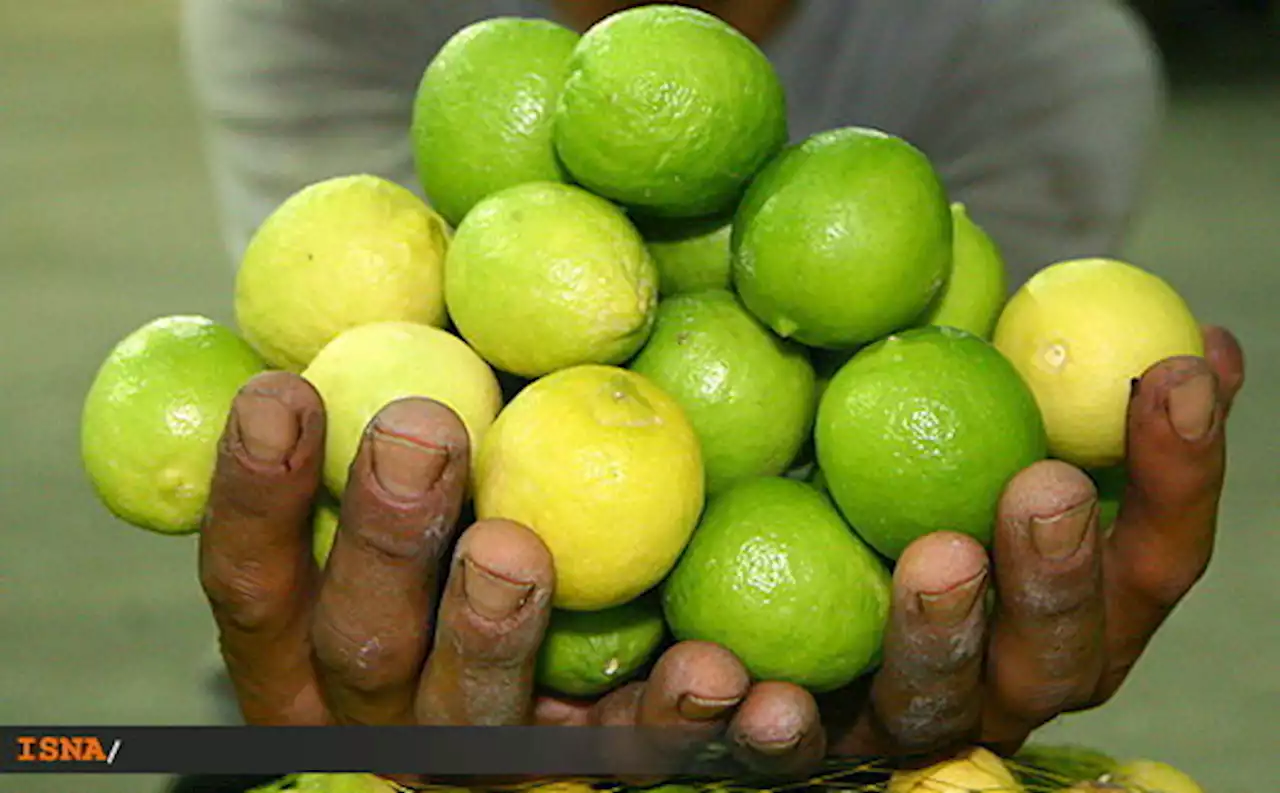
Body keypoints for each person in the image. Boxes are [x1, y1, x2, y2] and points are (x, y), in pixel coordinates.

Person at [174, 0, 1247, 789]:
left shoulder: (1040, 54)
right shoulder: (319, 15)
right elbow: (356, 317)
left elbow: (980, 377)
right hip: (375, 671)